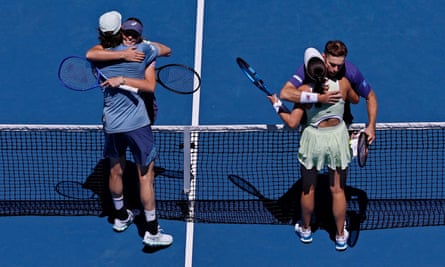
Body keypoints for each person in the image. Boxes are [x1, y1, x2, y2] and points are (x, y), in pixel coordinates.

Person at [87, 10, 173, 247]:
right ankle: (152, 232)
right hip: (138, 125)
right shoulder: (143, 52)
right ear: (122, 32)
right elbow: (167, 50)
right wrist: (141, 46)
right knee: (145, 177)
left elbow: (90, 51)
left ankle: (121, 216)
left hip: (112, 125)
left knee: (115, 170)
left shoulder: (96, 57)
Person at [269, 47, 359, 251]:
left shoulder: (303, 93)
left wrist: (277, 105)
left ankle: (306, 229)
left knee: (308, 189)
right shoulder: (343, 84)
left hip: (313, 141)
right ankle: (340, 236)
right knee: (337, 190)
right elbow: (355, 99)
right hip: (337, 138)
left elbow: (292, 123)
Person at [279, 40, 378, 145]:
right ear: (324, 57)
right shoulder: (311, 69)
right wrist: (318, 98)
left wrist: (371, 126)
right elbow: (285, 93)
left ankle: (350, 138)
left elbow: (370, 96)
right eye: (332, 64)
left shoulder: (351, 72)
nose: (336, 69)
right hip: (311, 128)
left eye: (340, 65)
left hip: (340, 124)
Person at [86, 14, 172, 125]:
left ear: (139, 36)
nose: (130, 37)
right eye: (127, 33)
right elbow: (90, 54)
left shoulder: (144, 51)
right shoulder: (111, 49)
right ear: (121, 31)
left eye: (134, 35)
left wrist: (147, 44)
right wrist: (124, 54)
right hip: (117, 106)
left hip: (142, 105)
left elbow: (167, 51)